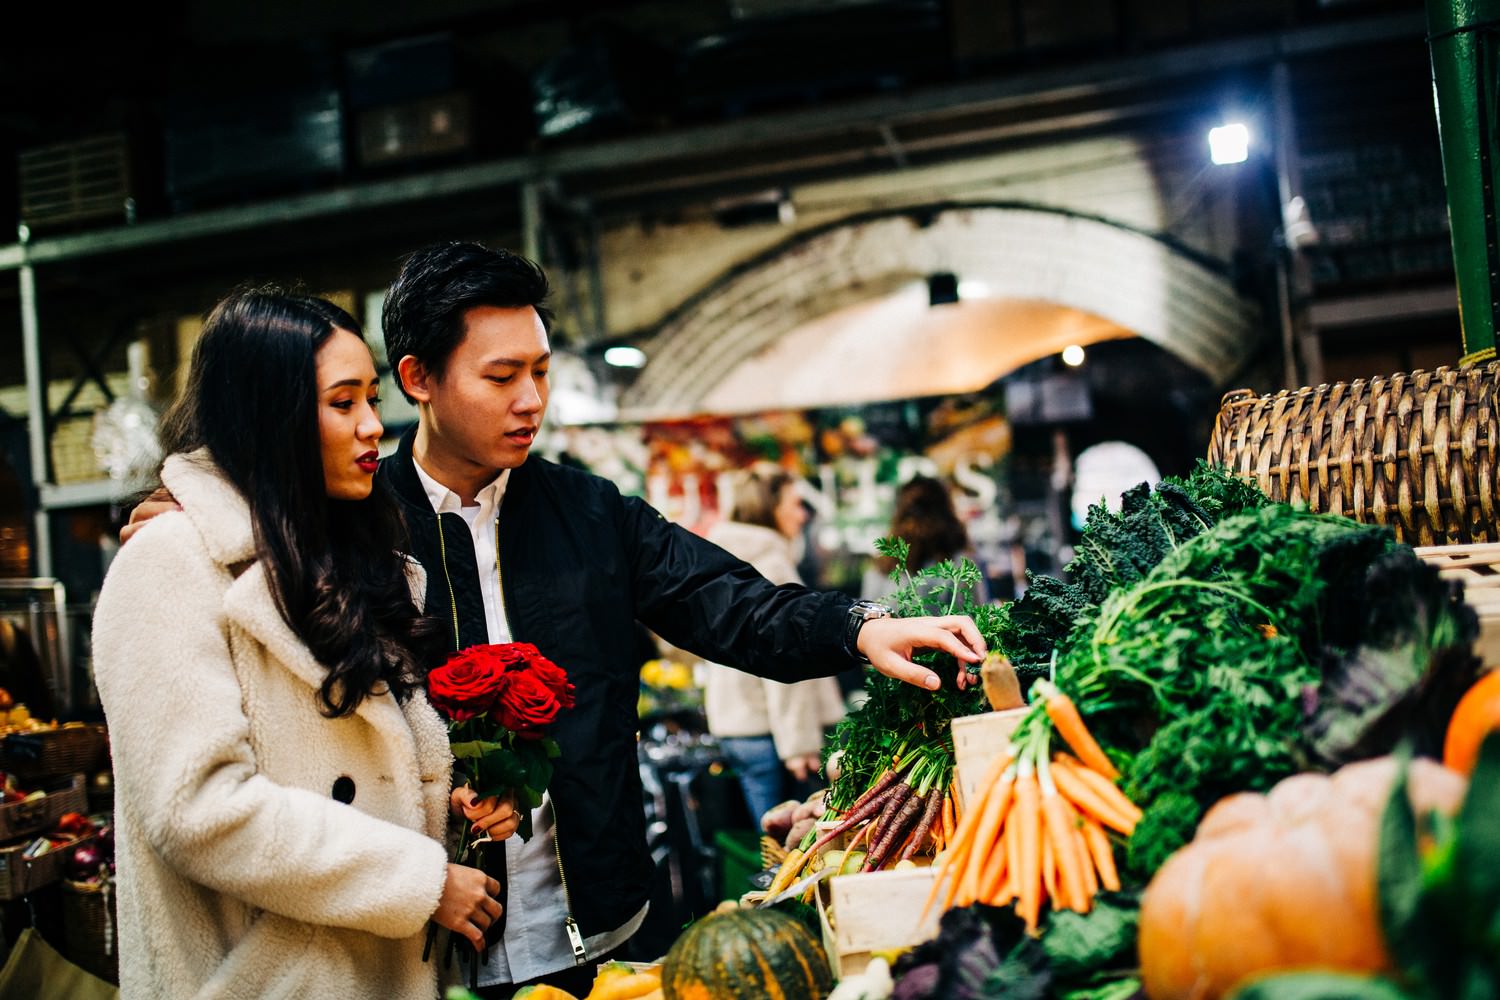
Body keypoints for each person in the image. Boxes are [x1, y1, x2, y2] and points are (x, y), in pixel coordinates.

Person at [127, 244, 985, 999]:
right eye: (501, 377)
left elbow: (733, 603)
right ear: (419, 379)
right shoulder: (354, 523)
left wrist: (859, 625)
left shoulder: (589, 511)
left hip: (603, 924)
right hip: (430, 948)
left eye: (539, 370)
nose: (530, 399)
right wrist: (199, 510)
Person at [93, 290, 511, 1000]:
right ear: (271, 417)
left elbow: (367, 771)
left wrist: (453, 805)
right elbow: (199, 809)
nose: (374, 426)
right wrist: (419, 880)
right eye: (342, 403)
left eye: (372, 399)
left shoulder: (364, 565)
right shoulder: (169, 563)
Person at [699, 463, 846, 823]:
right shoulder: (770, 561)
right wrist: (799, 744)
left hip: (739, 724)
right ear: (771, 507)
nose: (802, 514)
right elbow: (784, 659)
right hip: (770, 732)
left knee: (769, 838)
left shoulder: (724, 557)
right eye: (795, 503)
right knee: (786, 845)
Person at [863, 473, 991, 607]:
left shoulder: (882, 565)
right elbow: (975, 616)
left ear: (899, 513)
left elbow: (867, 616)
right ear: (947, 511)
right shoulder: (962, 565)